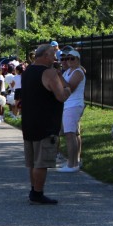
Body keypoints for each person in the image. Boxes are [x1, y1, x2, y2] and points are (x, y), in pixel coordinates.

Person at [21, 43, 72, 204]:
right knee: (41, 162)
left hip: (29, 122)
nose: (55, 58)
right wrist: (67, 87)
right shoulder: (49, 73)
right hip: (46, 124)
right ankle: (38, 193)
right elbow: (61, 96)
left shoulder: (27, 71)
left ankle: (33, 189)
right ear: (45, 56)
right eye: (53, 55)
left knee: (32, 162)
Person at [58, 49, 86, 172]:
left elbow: (70, 88)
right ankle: (74, 162)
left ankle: (72, 164)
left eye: (72, 58)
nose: (69, 60)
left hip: (73, 105)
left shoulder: (78, 72)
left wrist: (59, 76)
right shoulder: (68, 71)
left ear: (78, 60)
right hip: (68, 105)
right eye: (67, 58)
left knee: (70, 135)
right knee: (71, 134)